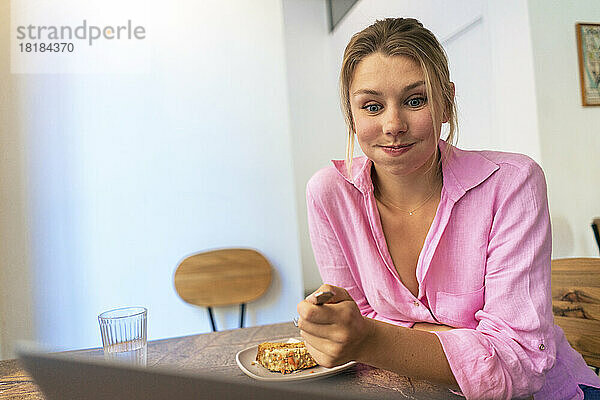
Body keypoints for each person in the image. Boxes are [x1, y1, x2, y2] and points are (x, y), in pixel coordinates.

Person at [297, 18, 600, 400]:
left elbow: (522, 362)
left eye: (415, 100)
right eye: (372, 106)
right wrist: (467, 343)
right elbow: (353, 324)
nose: (393, 124)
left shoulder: (513, 183)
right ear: (351, 115)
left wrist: (373, 338)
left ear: (446, 102)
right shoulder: (329, 195)